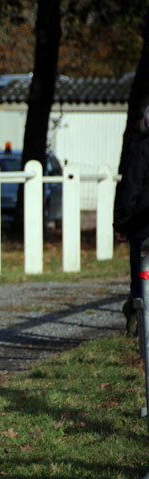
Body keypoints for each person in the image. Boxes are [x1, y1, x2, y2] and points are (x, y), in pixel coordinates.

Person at [114, 104, 149, 337]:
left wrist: (121, 223)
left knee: (141, 280)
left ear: (145, 122)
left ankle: (138, 330)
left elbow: (130, 188)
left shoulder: (141, 149)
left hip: (143, 226)